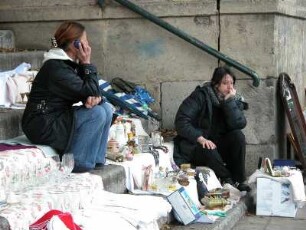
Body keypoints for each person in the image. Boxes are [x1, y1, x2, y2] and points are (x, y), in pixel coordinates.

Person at [22, 21, 113, 172]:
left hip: (57, 116)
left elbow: (91, 91)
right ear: (74, 44)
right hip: (41, 124)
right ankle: (78, 163)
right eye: (85, 42)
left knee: (106, 108)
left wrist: (95, 98)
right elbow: (88, 89)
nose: (88, 46)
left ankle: (96, 159)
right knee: (96, 113)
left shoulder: (68, 65)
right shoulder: (56, 67)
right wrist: (87, 62)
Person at [173, 66, 250, 192]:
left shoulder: (232, 99)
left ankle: (238, 180)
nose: (229, 87)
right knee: (208, 147)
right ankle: (227, 179)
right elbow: (181, 121)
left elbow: (239, 124)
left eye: (231, 83)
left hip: (218, 143)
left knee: (238, 136)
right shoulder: (200, 96)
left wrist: (229, 102)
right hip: (196, 145)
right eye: (225, 83)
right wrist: (200, 138)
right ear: (216, 84)